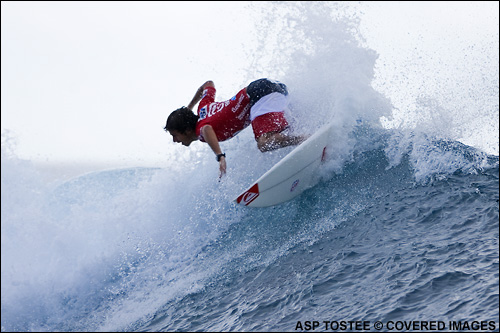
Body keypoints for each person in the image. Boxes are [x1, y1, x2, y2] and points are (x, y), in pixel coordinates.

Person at [164, 78, 304, 177]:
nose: (175, 140)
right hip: (271, 87)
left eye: (175, 135)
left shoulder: (200, 129)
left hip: (260, 95)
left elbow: (206, 129)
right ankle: (309, 137)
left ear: (187, 130)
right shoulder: (203, 106)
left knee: (264, 143)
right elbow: (208, 84)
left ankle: (305, 139)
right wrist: (189, 107)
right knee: (282, 131)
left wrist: (220, 156)